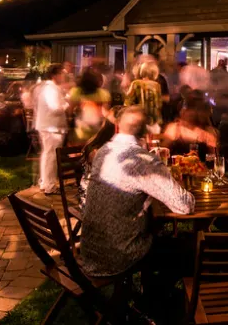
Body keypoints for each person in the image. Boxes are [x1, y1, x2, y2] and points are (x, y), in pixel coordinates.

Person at [79, 106, 194, 277]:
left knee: (161, 234)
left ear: (117, 127)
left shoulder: (104, 151)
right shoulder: (142, 160)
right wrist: (179, 184)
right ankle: (163, 300)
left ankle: (152, 295)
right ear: (146, 133)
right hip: (119, 257)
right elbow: (185, 206)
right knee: (190, 248)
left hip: (91, 252)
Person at [34, 64, 69, 195]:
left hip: (48, 126)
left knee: (48, 155)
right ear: (55, 75)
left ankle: (45, 182)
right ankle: (49, 185)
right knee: (51, 157)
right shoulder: (51, 89)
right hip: (51, 127)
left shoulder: (49, 88)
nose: (64, 76)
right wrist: (67, 102)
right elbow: (55, 108)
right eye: (62, 73)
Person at [161, 90, 218, 157]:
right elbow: (163, 152)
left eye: (189, 109)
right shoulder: (175, 128)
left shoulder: (208, 132)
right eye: (183, 108)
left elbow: (213, 157)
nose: (184, 111)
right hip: (177, 165)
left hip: (200, 166)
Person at [69, 68, 111, 142]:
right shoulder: (104, 94)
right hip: (97, 129)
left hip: (80, 129)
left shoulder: (75, 92)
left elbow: (70, 111)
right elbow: (105, 113)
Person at [124, 61, 164, 131]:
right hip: (154, 122)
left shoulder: (136, 83)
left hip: (139, 120)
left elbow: (128, 103)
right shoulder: (157, 85)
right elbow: (159, 104)